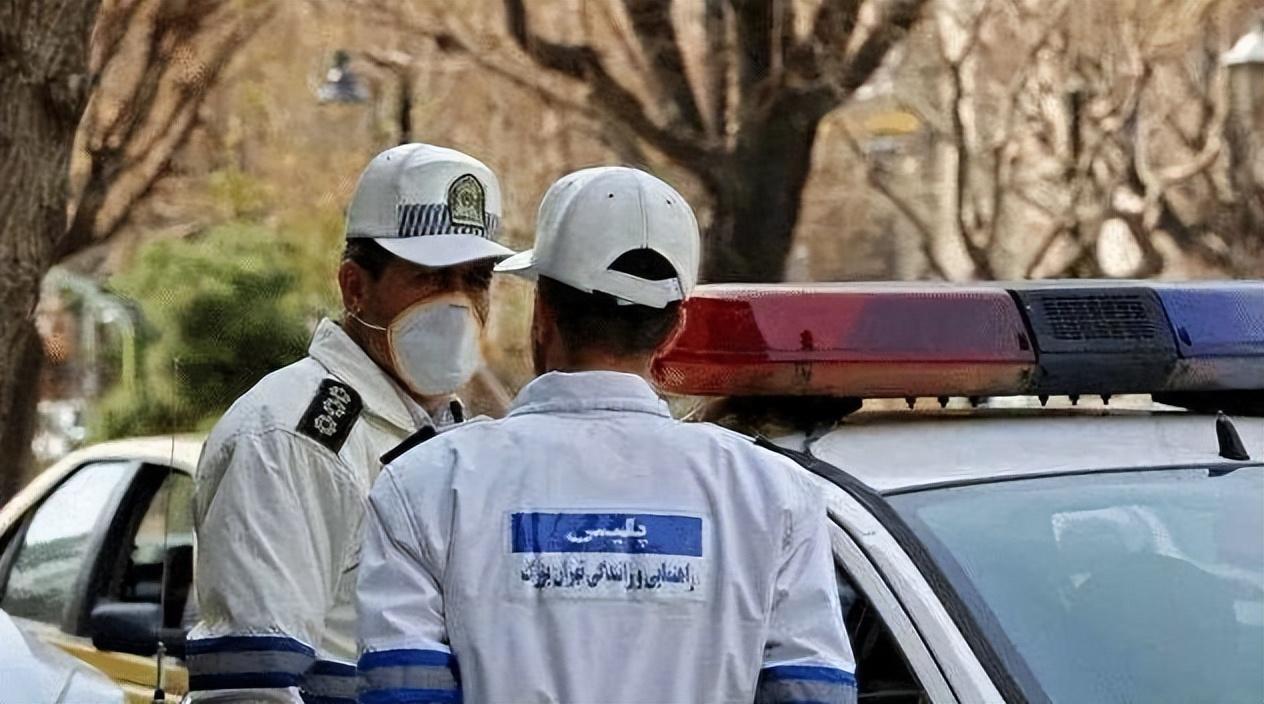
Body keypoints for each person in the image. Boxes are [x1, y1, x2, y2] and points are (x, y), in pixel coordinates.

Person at [356, 166, 857, 704]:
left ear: (542, 313)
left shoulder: (425, 487)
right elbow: (813, 693)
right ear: (675, 328)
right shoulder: (777, 496)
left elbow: (403, 692)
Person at [185, 143, 515, 703]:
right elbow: (254, 689)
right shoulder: (289, 439)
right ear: (355, 287)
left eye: (476, 279)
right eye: (432, 278)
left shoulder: (451, 432)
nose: (458, 303)